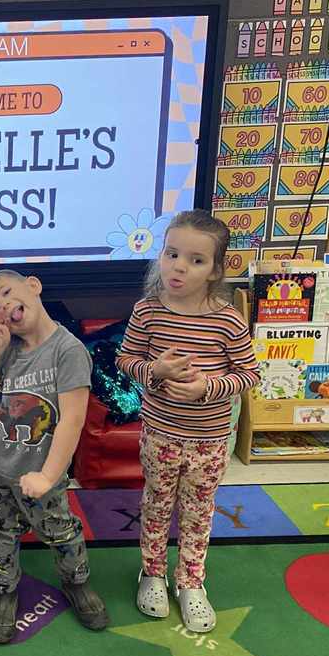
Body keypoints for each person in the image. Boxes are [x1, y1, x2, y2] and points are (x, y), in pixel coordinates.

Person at [116, 210, 259, 633]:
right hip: (160, 433)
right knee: (156, 504)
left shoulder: (227, 319)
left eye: (196, 260)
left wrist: (207, 388)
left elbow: (249, 374)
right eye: (172, 253)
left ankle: (191, 580)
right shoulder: (147, 311)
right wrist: (155, 371)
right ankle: (152, 573)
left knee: (198, 510)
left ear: (215, 270)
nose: (179, 266)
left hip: (209, 439)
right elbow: (126, 359)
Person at [0, 270, 109, 644]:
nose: (4, 306)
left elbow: (72, 420)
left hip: (41, 473)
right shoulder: (5, 349)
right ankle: (5, 590)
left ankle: (75, 581)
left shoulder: (68, 350)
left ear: (33, 286)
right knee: (0, 532)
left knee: (60, 530)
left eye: (7, 293)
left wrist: (47, 476)